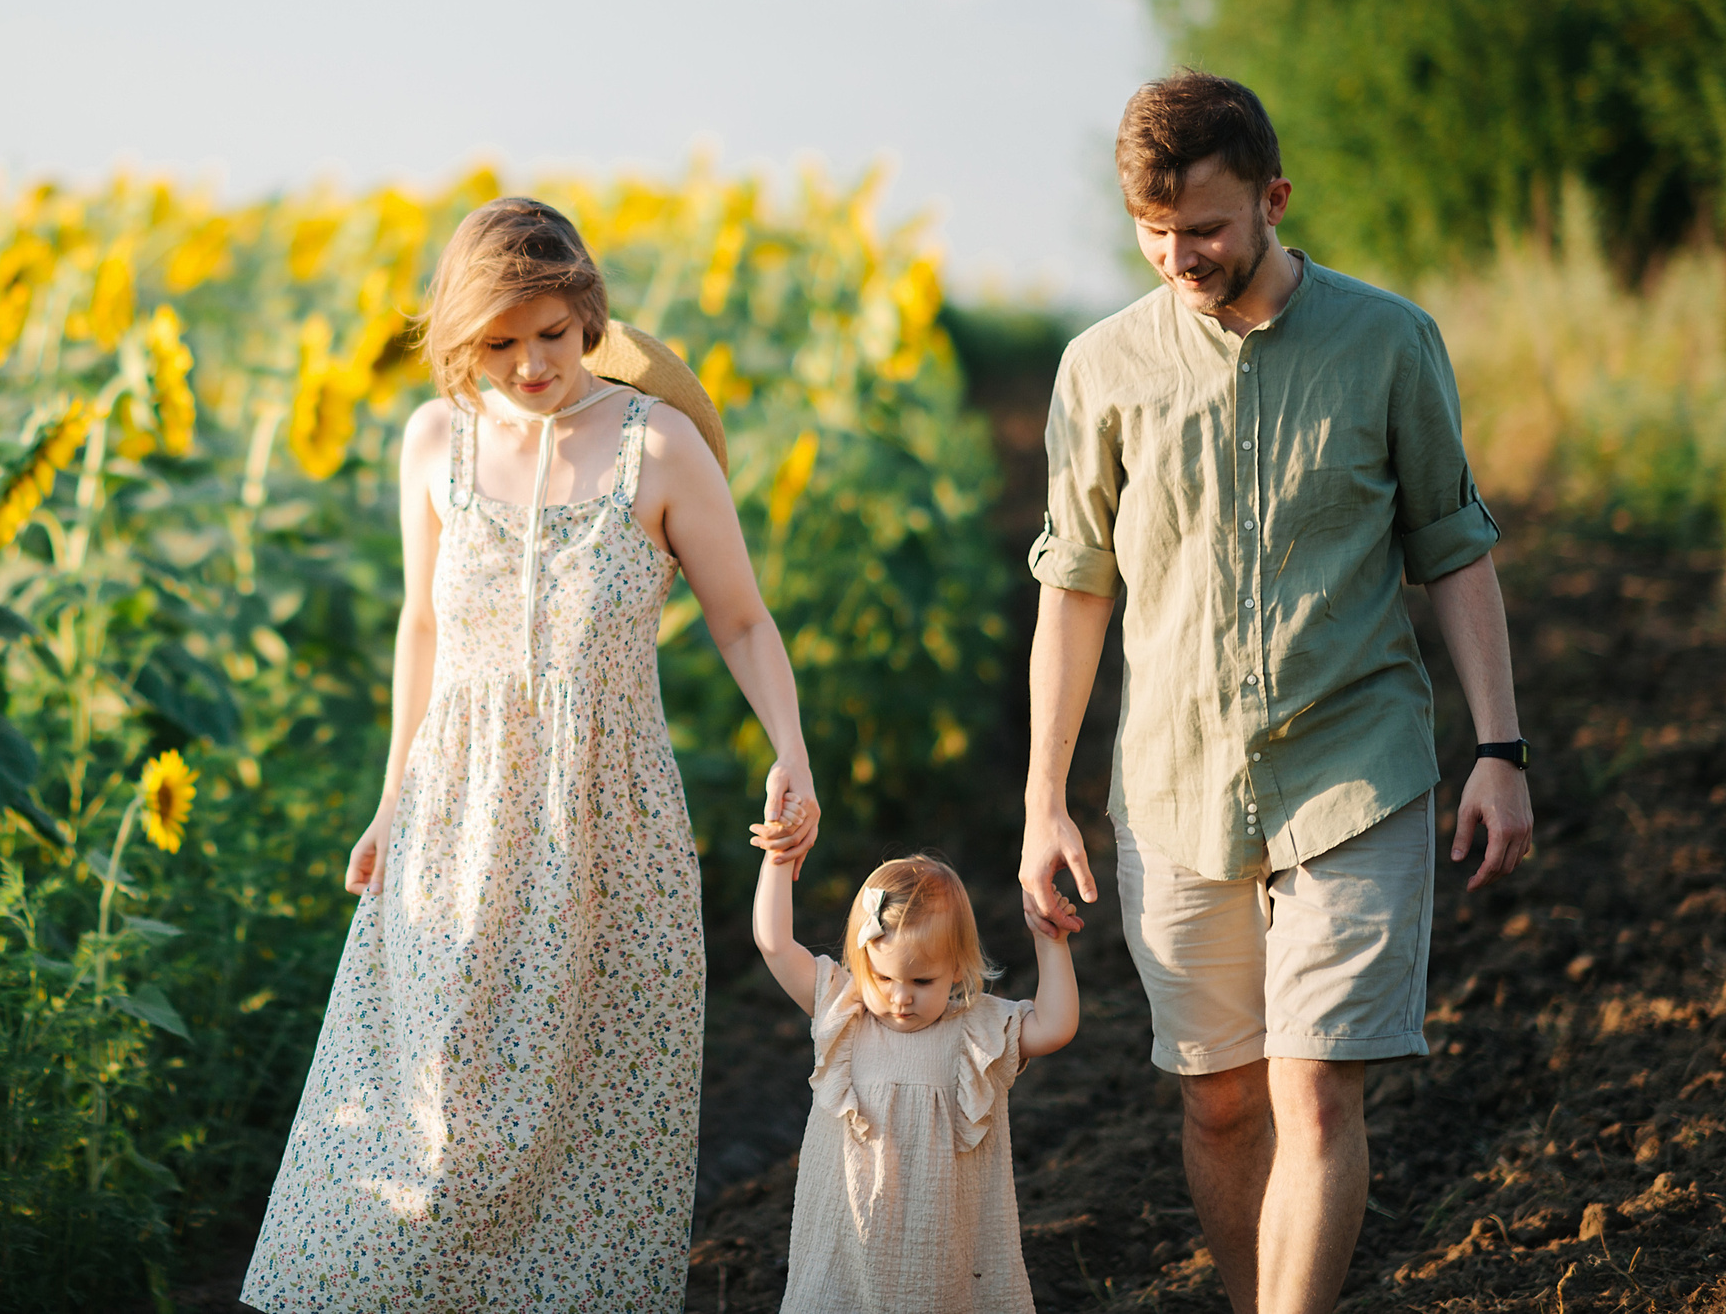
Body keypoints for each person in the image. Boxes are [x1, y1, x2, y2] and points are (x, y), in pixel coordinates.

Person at [242, 196, 823, 1313]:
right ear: (463, 340)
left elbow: (743, 619)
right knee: (429, 1118)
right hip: (452, 823)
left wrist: (789, 748)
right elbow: (423, 627)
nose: (530, 363)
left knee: (587, 1131)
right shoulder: (432, 443)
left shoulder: (658, 445)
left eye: (551, 334)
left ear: (586, 313)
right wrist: (386, 800)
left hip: (606, 830)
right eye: (499, 344)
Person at [1018, 72, 1535, 1314]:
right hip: (1172, 780)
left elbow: (1451, 546)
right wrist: (1044, 797)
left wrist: (1500, 747)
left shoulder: (1388, 341)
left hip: (1351, 764)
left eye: (1202, 226)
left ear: (1272, 197)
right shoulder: (1101, 368)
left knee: (1316, 1086)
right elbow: (1076, 587)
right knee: (1221, 1093)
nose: (1178, 254)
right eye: (1153, 231)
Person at [752, 846, 1078, 1313]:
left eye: (922, 982)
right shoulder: (842, 1012)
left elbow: (1056, 1027)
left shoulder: (975, 1031)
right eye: (883, 978)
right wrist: (779, 857)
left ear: (958, 970)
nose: (900, 998)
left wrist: (1052, 942)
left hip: (936, 1257)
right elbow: (774, 943)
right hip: (847, 1249)